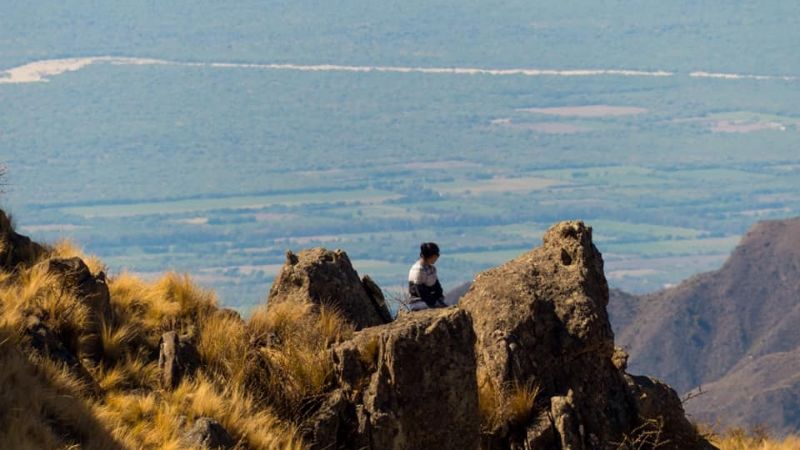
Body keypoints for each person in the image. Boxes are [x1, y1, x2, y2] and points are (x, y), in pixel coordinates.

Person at [408, 242, 446, 311]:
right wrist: (434, 302)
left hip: (430, 299)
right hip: (417, 302)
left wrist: (439, 297)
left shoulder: (431, 268)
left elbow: (437, 287)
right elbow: (421, 292)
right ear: (432, 256)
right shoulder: (418, 270)